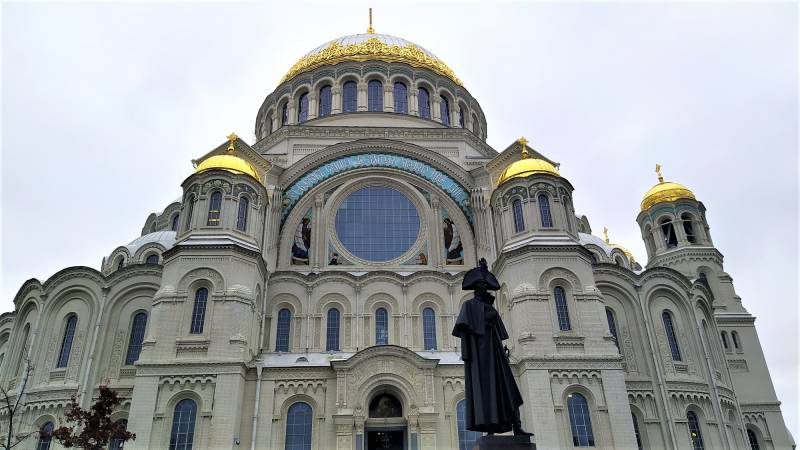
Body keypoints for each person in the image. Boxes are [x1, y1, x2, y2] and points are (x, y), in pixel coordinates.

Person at [452, 258, 532, 436]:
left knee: (508, 389)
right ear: (475, 288)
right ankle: (489, 431)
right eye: (480, 284)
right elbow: (464, 330)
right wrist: (485, 318)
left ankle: (517, 426)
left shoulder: (490, 306)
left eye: (484, 284)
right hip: (481, 357)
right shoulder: (469, 306)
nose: (483, 287)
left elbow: (500, 332)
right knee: (486, 392)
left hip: (496, 353)